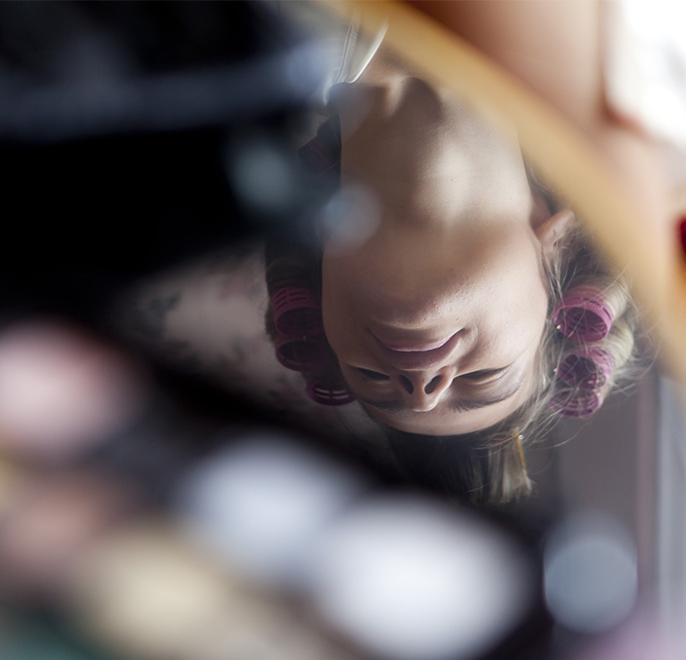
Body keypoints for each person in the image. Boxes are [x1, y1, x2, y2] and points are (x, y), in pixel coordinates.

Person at [265, 40, 640, 503]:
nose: (421, 393)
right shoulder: (624, 56)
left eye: (374, 380)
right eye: (484, 380)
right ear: (561, 252)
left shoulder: (253, 51)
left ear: (321, 263)